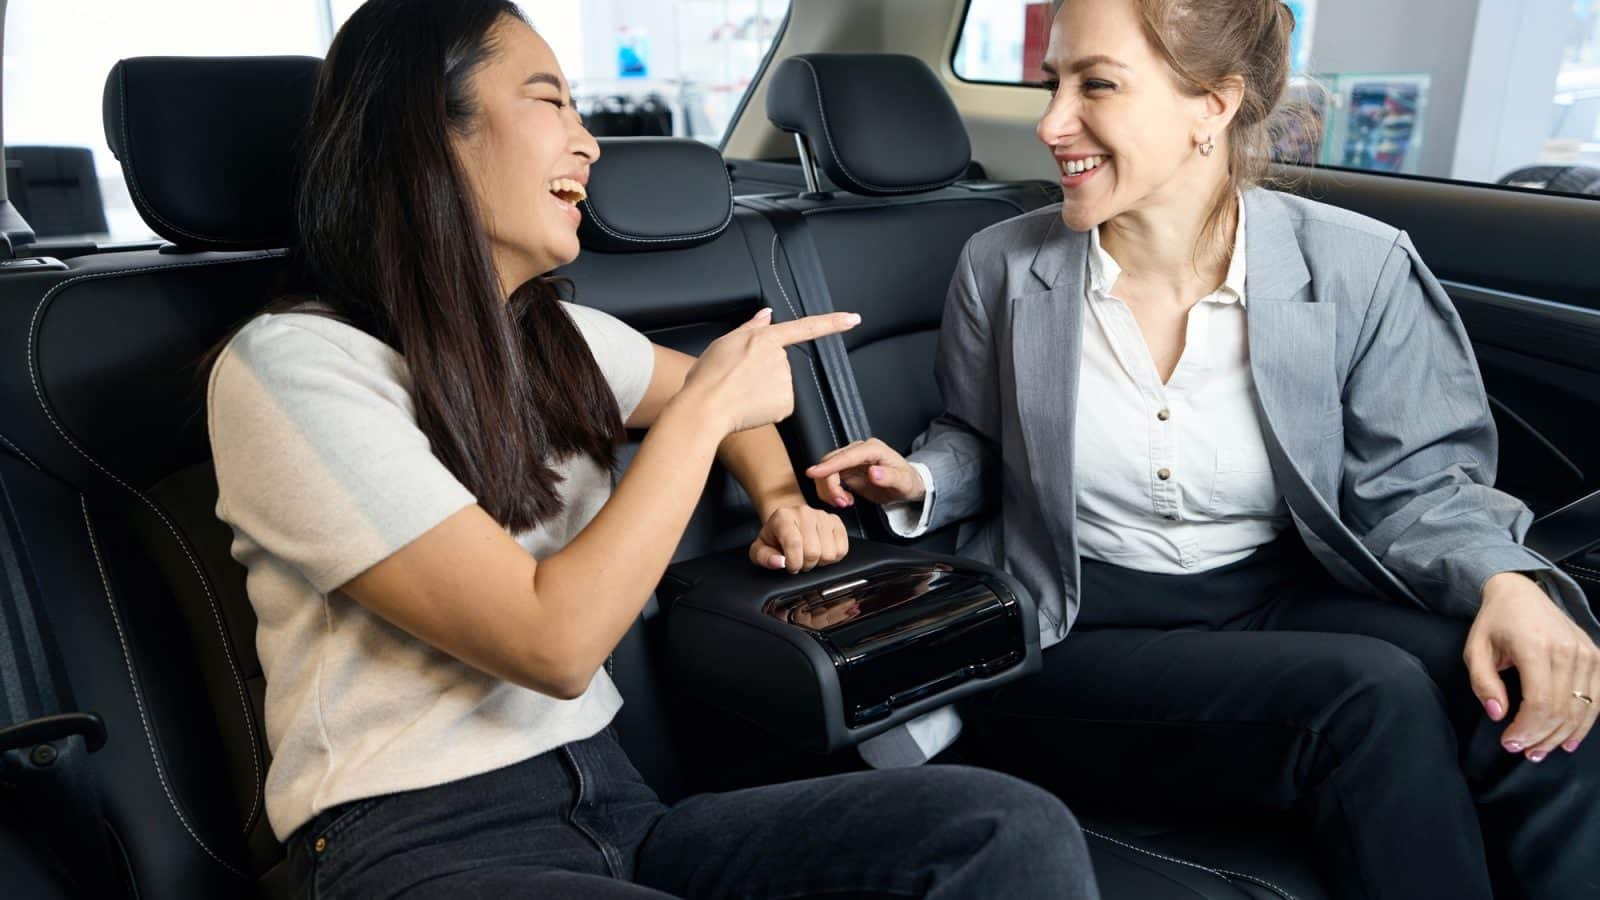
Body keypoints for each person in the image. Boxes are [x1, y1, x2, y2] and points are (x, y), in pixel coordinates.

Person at [206, 1, 1099, 897]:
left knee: (1006, 830)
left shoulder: (550, 339)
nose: (588, 143)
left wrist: (780, 498)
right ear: (428, 137)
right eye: (550, 102)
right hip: (416, 843)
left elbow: (732, 399)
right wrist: (703, 414)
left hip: (617, 804)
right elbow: (553, 643)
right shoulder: (295, 369)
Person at [805, 0, 1600, 897]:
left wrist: (1509, 583)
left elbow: (1417, 487)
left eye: (1096, 85)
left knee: (1535, 673)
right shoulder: (1003, 266)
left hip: (1274, 596)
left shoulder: (1357, 267)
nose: (1051, 123)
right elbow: (982, 440)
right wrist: (917, 479)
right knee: (1370, 696)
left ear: (1213, 105)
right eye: (1053, 84)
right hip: (1073, 626)